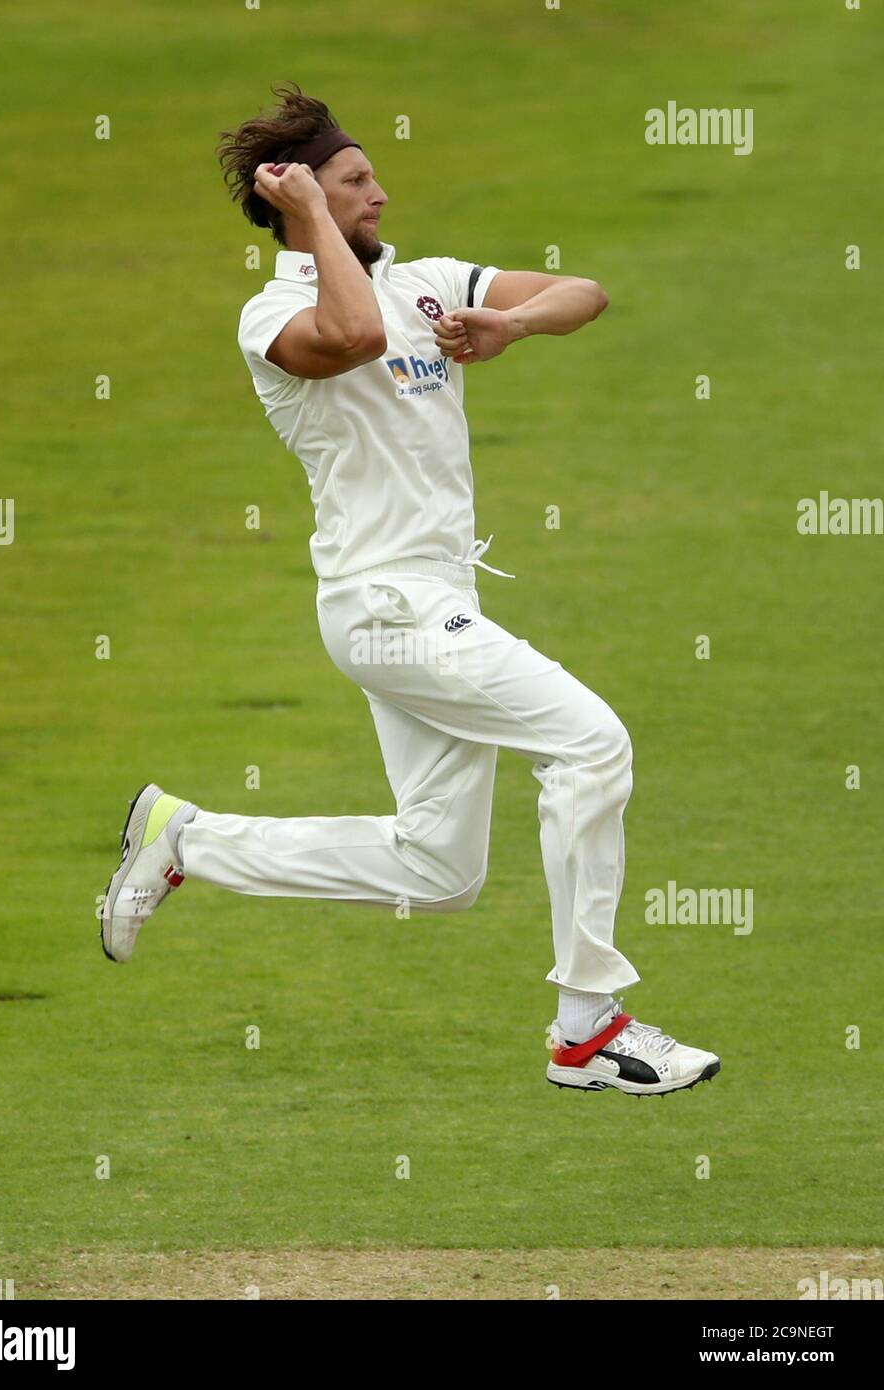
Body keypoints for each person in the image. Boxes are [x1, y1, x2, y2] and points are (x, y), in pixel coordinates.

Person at [99, 83, 720, 1097]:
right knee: (592, 742)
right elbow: (353, 337)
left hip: (425, 603)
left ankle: (190, 841)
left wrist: (515, 327)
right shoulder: (275, 314)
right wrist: (307, 224)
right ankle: (589, 1029)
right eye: (354, 180)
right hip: (389, 609)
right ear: (303, 200)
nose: (381, 192)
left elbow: (584, 290)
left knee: (438, 871)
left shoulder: (430, 278)